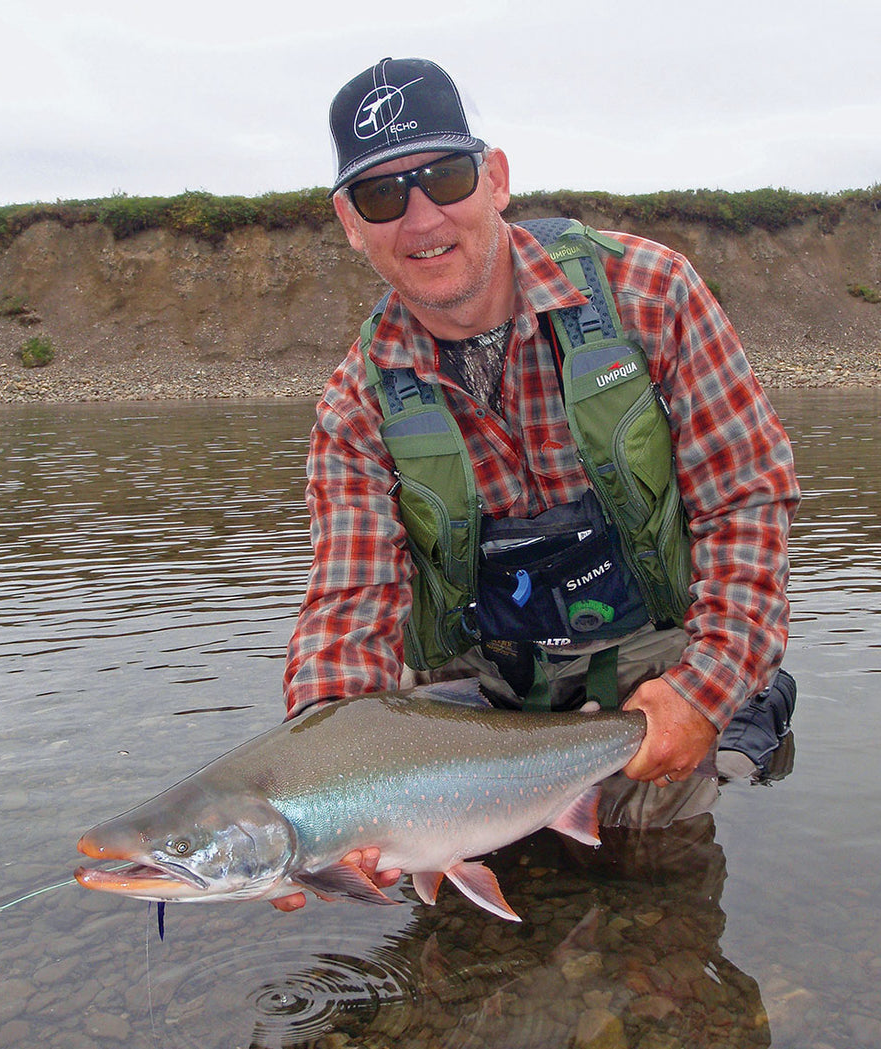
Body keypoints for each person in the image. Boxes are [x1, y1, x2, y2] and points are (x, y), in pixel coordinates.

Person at [274, 56, 800, 909]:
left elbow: (747, 502)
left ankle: (738, 725)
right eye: (381, 196)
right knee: (452, 912)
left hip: (649, 670)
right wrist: (322, 797)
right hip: (476, 702)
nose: (420, 217)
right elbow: (349, 605)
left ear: (497, 179)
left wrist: (704, 691)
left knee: (663, 894)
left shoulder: (653, 293)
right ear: (349, 223)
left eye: (443, 177)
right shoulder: (353, 407)